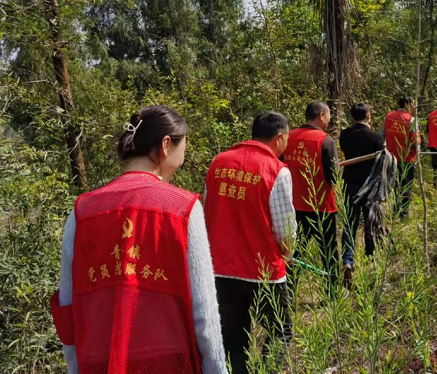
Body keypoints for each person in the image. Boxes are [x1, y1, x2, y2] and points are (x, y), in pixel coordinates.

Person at [50, 105, 227, 374]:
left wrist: (75, 367)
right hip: (170, 360)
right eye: (184, 148)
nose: (184, 156)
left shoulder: (82, 211)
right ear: (166, 145)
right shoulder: (184, 209)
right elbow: (204, 313)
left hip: (99, 361)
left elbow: (68, 304)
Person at [203, 111, 296, 373]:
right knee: (281, 330)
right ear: (279, 137)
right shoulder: (276, 171)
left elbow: (206, 208)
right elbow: (285, 229)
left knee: (234, 339)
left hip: (220, 270)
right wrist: (286, 254)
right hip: (263, 271)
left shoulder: (218, 163)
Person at [283, 101, 339, 292]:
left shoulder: (287, 138)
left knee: (294, 253)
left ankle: (289, 293)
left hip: (293, 207)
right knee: (329, 252)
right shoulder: (325, 140)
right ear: (322, 116)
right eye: (329, 116)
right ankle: (332, 293)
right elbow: (334, 176)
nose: (329, 120)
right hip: (321, 207)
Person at [338, 102, 384, 287]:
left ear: (352, 117)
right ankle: (370, 258)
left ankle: (348, 260)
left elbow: (345, 153)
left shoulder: (345, 135)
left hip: (350, 184)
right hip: (370, 187)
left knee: (349, 224)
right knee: (370, 222)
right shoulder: (375, 137)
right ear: (369, 116)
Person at [383, 96, 420, 219]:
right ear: (406, 104)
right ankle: (403, 215)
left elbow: (382, 136)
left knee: (395, 186)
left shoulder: (389, 117)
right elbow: (416, 141)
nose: (414, 107)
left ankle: (394, 212)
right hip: (407, 159)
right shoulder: (411, 120)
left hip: (391, 158)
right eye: (412, 104)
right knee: (406, 187)